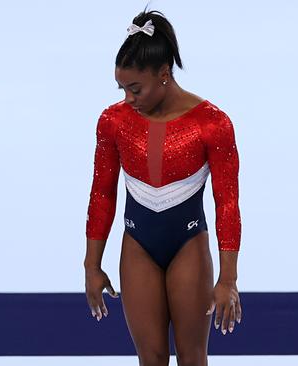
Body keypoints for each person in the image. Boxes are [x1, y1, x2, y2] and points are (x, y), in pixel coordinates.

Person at [84, 7, 242, 366]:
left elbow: (227, 203)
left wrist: (228, 279)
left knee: (191, 357)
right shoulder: (113, 122)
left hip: (188, 243)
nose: (128, 98)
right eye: (122, 88)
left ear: (164, 74)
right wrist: (92, 266)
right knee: (151, 359)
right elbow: (102, 194)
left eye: (135, 88)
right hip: (139, 243)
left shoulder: (212, 124)